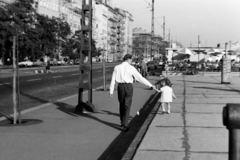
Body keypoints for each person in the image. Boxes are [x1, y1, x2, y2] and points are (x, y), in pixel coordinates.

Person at [109, 54, 156, 131]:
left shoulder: (116, 67)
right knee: (127, 105)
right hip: (128, 87)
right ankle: (125, 124)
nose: (131, 62)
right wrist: (150, 85)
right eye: (131, 60)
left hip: (120, 87)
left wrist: (111, 91)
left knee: (121, 105)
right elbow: (140, 78)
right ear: (129, 59)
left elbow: (113, 80)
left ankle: (122, 122)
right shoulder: (131, 68)